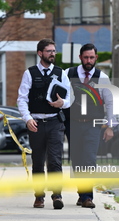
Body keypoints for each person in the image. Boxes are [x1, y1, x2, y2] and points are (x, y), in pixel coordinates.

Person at [17, 38, 72, 210]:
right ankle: (39, 196)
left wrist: (62, 103)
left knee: (55, 161)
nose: (52, 54)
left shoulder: (60, 72)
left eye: (54, 51)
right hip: (36, 123)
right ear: (40, 53)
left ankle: (57, 195)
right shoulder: (30, 73)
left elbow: (70, 98)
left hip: (55, 122)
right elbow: (22, 99)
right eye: (49, 51)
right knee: (38, 161)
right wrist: (27, 118)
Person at [65, 43, 116, 208]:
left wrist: (110, 126)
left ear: (96, 58)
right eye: (86, 57)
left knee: (89, 159)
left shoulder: (102, 78)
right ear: (80, 57)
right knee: (77, 160)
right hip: (72, 124)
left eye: (91, 57)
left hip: (93, 125)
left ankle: (88, 197)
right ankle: (82, 194)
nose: (88, 60)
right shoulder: (68, 74)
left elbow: (110, 103)